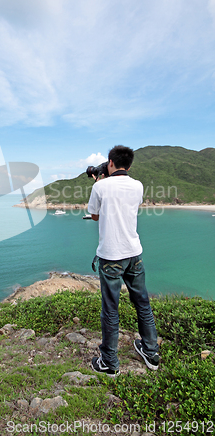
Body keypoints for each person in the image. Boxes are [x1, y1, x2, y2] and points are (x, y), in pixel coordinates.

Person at [87, 145, 159, 378]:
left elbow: (95, 216)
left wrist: (98, 181)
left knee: (111, 309)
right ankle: (150, 351)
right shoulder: (138, 185)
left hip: (111, 257)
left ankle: (109, 361)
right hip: (133, 253)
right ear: (129, 165)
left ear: (110, 162)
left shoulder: (100, 186)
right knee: (143, 303)